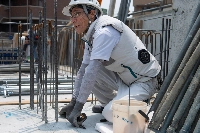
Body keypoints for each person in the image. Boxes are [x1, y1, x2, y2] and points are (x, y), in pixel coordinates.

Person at [59, 0, 161, 128]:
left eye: (77, 14)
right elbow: (84, 71)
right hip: (125, 78)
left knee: (110, 114)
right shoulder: (90, 36)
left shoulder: (105, 32)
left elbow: (91, 72)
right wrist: (73, 103)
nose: (73, 20)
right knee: (88, 72)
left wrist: (79, 107)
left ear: (91, 13)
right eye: (71, 16)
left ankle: (144, 108)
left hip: (144, 80)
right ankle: (114, 103)